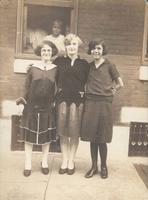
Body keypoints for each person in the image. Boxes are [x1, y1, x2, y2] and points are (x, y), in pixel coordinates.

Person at [81, 39, 124, 179]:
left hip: (104, 104)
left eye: (98, 48)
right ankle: (94, 167)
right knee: (93, 137)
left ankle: (104, 166)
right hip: (91, 103)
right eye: (93, 49)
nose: (96, 51)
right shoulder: (89, 66)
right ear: (91, 51)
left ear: (102, 50)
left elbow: (120, 83)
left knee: (102, 137)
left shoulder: (110, 65)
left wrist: (111, 90)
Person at [16, 40, 58, 177]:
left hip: (47, 107)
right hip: (32, 107)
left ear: (52, 53)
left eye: (49, 51)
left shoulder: (56, 69)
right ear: (40, 53)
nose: (46, 53)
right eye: (44, 51)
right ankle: (28, 164)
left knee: (46, 137)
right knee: (29, 136)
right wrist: (22, 104)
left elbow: (58, 88)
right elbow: (26, 87)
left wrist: (55, 103)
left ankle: (44, 162)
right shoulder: (32, 68)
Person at [55, 33, 90, 175]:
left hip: (78, 101)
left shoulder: (84, 64)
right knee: (63, 133)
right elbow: (48, 71)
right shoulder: (59, 62)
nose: (71, 47)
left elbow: (91, 80)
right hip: (62, 100)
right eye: (68, 44)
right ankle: (64, 160)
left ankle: (71, 161)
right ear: (66, 46)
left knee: (74, 133)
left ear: (78, 47)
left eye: (74, 44)